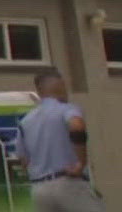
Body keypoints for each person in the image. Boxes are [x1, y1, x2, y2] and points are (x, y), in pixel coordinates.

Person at [18, 70, 104, 212]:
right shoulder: (66, 109)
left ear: (39, 91)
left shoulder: (26, 121)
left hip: (40, 189)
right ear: (61, 86)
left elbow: (23, 159)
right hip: (68, 183)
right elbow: (76, 126)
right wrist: (80, 163)